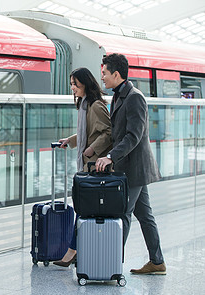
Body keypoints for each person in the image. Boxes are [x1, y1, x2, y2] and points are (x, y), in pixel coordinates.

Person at [96, 53, 166, 275]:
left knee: (122, 213)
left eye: (105, 74)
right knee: (144, 215)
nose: (103, 79)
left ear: (116, 74)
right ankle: (157, 261)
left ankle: (110, 265)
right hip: (131, 167)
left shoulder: (134, 97)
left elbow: (133, 136)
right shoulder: (119, 96)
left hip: (134, 167)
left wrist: (110, 157)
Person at [53, 67, 112, 267]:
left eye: (75, 84)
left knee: (82, 208)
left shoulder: (95, 106)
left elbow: (106, 133)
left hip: (95, 167)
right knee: (82, 208)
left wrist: (91, 150)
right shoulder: (85, 105)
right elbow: (87, 134)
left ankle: (72, 251)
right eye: (71, 84)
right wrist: (70, 141)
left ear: (85, 84)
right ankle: (75, 250)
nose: (72, 88)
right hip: (89, 166)